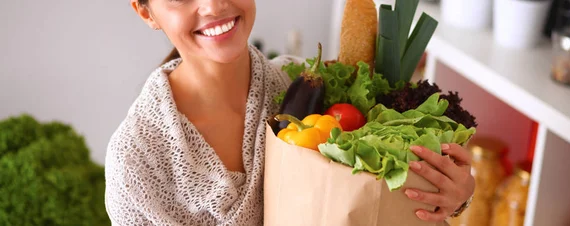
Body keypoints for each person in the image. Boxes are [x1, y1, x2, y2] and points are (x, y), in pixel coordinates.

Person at [104, 0, 476, 225]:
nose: (214, 6)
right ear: (145, 12)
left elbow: (382, 203)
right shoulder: (136, 160)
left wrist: (452, 194)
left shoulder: (312, 86)